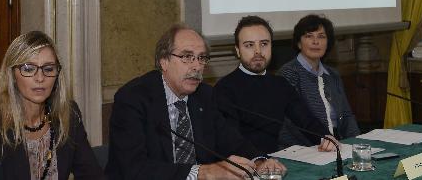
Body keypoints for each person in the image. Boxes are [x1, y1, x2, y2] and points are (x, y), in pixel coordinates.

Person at [105, 24, 283, 180]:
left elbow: (232, 141)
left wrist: (259, 160)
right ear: (164, 61)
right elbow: (134, 170)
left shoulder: (205, 95)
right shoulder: (133, 99)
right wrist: (203, 172)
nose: (197, 66)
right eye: (187, 57)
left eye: (201, 58)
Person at [0, 31, 104, 180]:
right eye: (28, 69)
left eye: (48, 69)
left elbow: (92, 175)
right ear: (12, 75)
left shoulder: (68, 115)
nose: (40, 78)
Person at [214, 16, 336, 155]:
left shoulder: (280, 84)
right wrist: (258, 160)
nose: (258, 51)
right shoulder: (225, 89)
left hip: (274, 163)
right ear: (237, 50)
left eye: (264, 44)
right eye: (249, 45)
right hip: (242, 166)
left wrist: (326, 138)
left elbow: (306, 121)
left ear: (272, 46)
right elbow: (230, 140)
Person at [278, 14, 360, 147]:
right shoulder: (288, 73)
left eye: (321, 36)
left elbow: (346, 115)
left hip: (336, 144)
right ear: (299, 43)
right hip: (305, 149)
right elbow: (290, 124)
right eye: (309, 36)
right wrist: (321, 143)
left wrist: (356, 143)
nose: (316, 42)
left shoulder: (333, 75)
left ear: (328, 43)